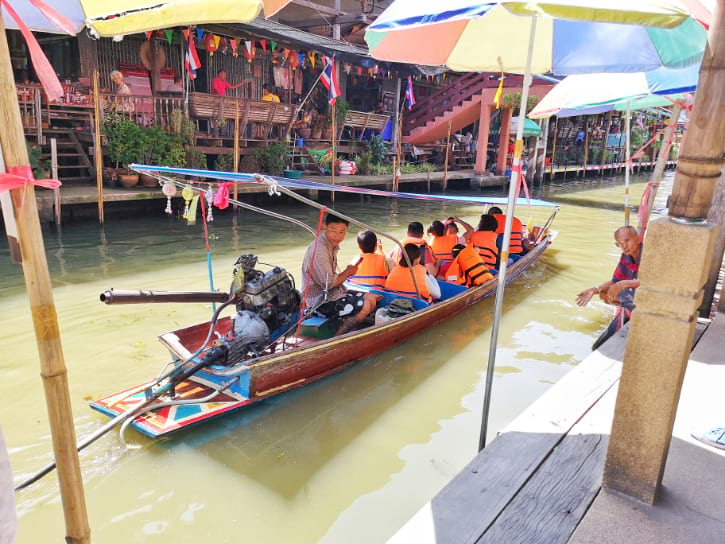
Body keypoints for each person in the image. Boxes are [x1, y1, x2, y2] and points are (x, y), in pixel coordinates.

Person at [301, 214, 380, 336]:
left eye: (342, 232)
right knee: (365, 305)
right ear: (325, 228)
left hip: (335, 292)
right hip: (320, 301)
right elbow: (329, 284)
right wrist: (348, 272)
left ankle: (351, 327)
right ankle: (338, 337)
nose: (337, 236)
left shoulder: (331, 245)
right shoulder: (320, 250)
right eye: (333, 231)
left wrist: (348, 272)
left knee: (373, 298)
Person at [575, 226, 642, 309]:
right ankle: (627, 309)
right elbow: (615, 281)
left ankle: (633, 310)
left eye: (627, 240)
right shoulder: (625, 256)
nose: (624, 246)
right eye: (620, 243)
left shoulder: (649, 253)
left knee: (621, 294)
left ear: (639, 239)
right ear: (617, 245)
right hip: (636, 293)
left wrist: (622, 284)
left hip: (651, 295)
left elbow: (655, 283)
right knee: (604, 293)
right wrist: (594, 290)